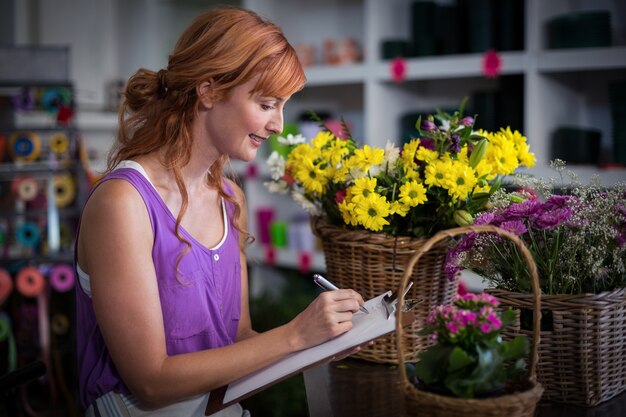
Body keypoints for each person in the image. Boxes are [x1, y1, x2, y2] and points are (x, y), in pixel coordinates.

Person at [74, 6, 366, 417]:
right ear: (209, 90)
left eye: (283, 105)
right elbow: (151, 381)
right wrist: (295, 336)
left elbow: (240, 342)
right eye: (267, 104)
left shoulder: (231, 200)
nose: (279, 125)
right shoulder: (124, 204)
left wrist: (317, 345)